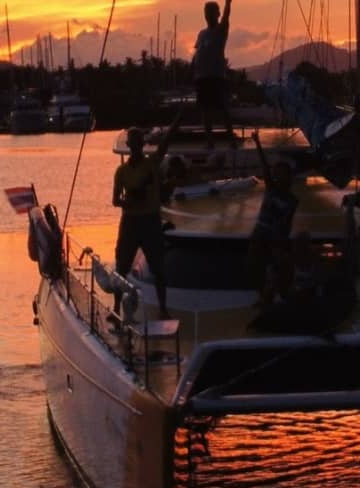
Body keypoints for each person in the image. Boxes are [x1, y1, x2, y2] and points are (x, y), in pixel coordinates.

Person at [112, 110, 182, 320]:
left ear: (142, 144)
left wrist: (176, 123)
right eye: (132, 142)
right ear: (129, 145)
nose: (135, 145)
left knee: (159, 268)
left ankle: (162, 308)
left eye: (138, 142)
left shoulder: (152, 163)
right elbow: (115, 201)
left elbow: (165, 143)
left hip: (150, 221)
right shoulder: (121, 172)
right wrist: (130, 201)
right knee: (121, 267)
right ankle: (116, 308)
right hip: (130, 222)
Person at [247, 131, 298, 307]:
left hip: (274, 239)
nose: (277, 176)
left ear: (289, 177)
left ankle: (275, 295)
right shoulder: (271, 188)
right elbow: (265, 167)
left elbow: (286, 224)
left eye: (281, 173)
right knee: (257, 268)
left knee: (275, 269)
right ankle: (263, 296)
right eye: (277, 173)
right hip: (260, 234)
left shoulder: (291, 200)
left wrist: (280, 244)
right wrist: (258, 143)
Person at [192, 0, 234, 146]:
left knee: (223, 108)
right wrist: (192, 68)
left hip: (216, 76)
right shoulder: (202, 33)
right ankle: (209, 141)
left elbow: (227, 16)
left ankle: (231, 139)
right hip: (201, 76)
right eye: (206, 12)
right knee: (205, 109)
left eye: (211, 12)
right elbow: (197, 52)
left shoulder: (221, 30)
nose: (208, 15)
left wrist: (228, 3)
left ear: (217, 14)